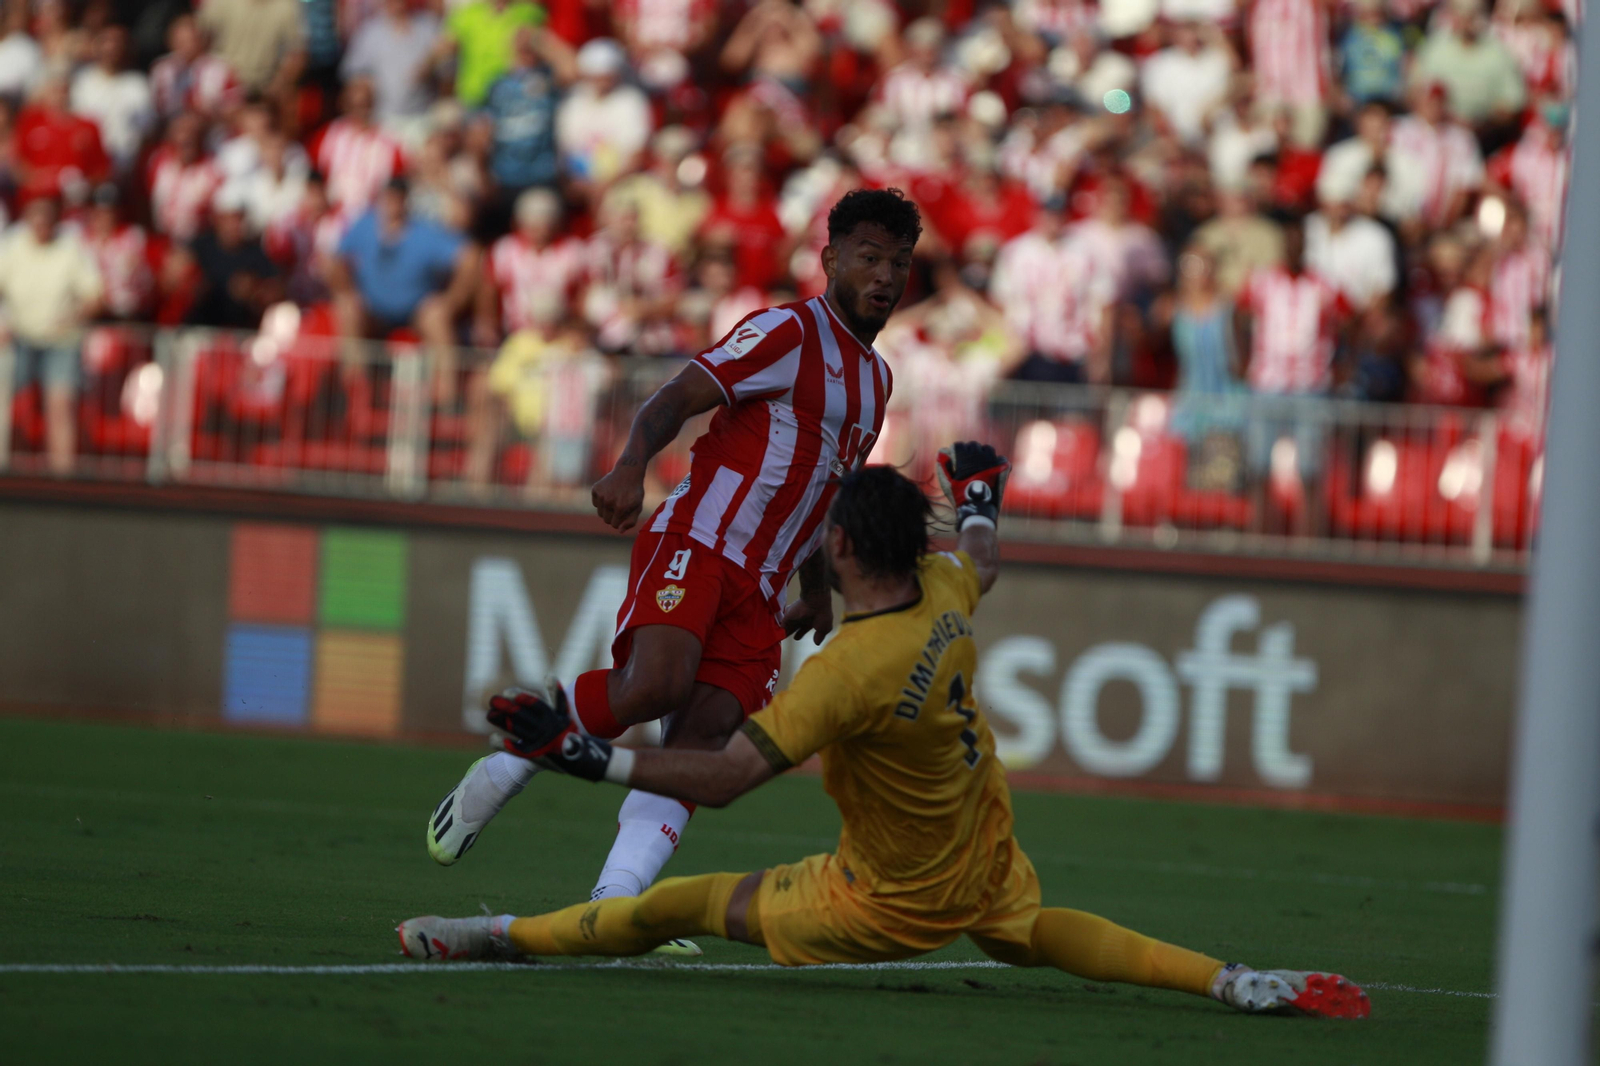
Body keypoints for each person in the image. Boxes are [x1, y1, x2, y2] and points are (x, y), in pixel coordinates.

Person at [399, 460, 1371, 1026]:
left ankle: (500, 936)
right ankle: (1230, 979)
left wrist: (586, 753)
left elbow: (728, 777)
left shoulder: (846, 673)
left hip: (877, 900)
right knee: (1032, 934)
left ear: (846, 552)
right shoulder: (943, 587)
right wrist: (980, 497)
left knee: (679, 903)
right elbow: (980, 560)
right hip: (982, 852)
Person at [422, 188, 920, 953]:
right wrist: (629, 465)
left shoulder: (877, 383)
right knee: (653, 686)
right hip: (699, 538)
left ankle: (616, 905)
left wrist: (817, 589)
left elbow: (831, 491)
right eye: (869, 258)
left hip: (759, 590)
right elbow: (680, 393)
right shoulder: (787, 331)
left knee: (701, 745)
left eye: (899, 262)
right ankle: (505, 766)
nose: (885, 275)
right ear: (830, 262)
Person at [328, 177, 480, 402]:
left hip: (415, 311)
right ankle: (354, 389)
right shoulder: (364, 225)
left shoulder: (425, 231)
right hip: (373, 311)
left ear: (406, 201)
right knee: (347, 308)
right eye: (388, 197)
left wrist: (451, 301)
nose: (392, 203)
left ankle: (445, 396)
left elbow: (470, 258)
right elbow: (334, 258)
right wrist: (347, 289)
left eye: (397, 198)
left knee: (437, 316)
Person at [0, 195, 104, 475]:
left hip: (62, 340)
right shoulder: (11, 246)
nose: (42, 223)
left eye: (47, 216)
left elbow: (94, 295)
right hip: (18, 337)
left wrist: (73, 318)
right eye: (36, 216)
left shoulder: (72, 247)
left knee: (61, 406)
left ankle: (62, 479)